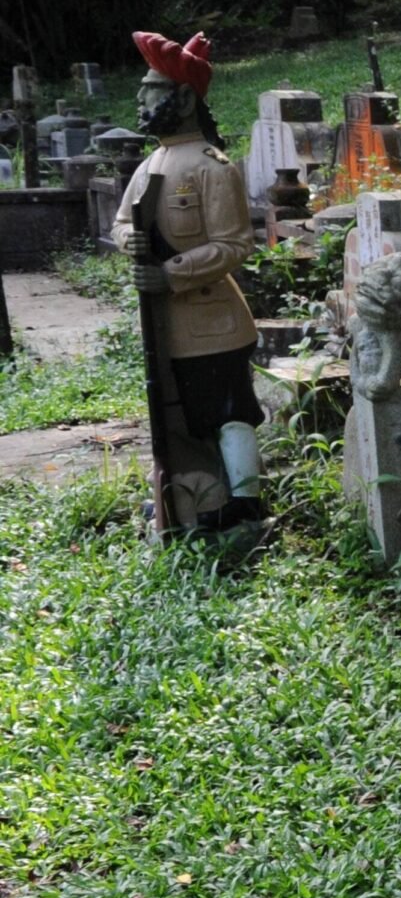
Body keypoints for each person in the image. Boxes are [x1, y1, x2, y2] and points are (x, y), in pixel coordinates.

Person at [110, 31, 266, 533]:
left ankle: (244, 500)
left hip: (212, 322)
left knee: (225, 412)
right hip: (164, 327)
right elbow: (119, 223)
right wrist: (128, 242)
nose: (140, 99)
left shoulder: (211, 168)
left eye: (151, 89)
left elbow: (234, 244)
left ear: (182, 98)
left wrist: (170, 274)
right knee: (176, 416)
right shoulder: (150, 164)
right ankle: (190, 491)